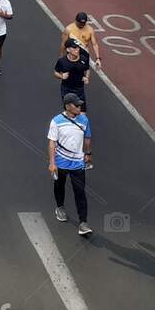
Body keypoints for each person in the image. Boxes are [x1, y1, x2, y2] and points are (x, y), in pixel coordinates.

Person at [48, 94, 93, 236]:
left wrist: (88, 154)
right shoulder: (56, 121)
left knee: (80, 192)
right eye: (76, 105)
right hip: (61, 162)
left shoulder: (84, 119)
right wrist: (52, 162)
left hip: (78, 163)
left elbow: (87, 138)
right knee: (59, 186)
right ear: (68, 106)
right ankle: (60, 207)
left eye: (80, 105)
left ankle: (83, 223)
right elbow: (52, 142)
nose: (80, 107)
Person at [54, 38, 92, 108]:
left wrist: (87, 77)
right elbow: (56, 72)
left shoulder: (84, 59)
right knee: (70, 110)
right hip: (66, 89)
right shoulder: (62, 61)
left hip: (79, 89)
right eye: (74, 48)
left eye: (78, 47)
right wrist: (62, 76)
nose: (77, 49)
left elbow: (87, 69)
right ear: (68, 49)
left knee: (82, 113)